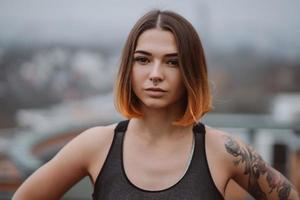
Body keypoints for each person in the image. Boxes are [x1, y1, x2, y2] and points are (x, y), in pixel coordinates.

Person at [13, 9, 299, 200]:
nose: (155, 74)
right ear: (129, 68)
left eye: (172, 62)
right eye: (143, 59)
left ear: (191, 71)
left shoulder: (223, 150)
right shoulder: (96, 144)